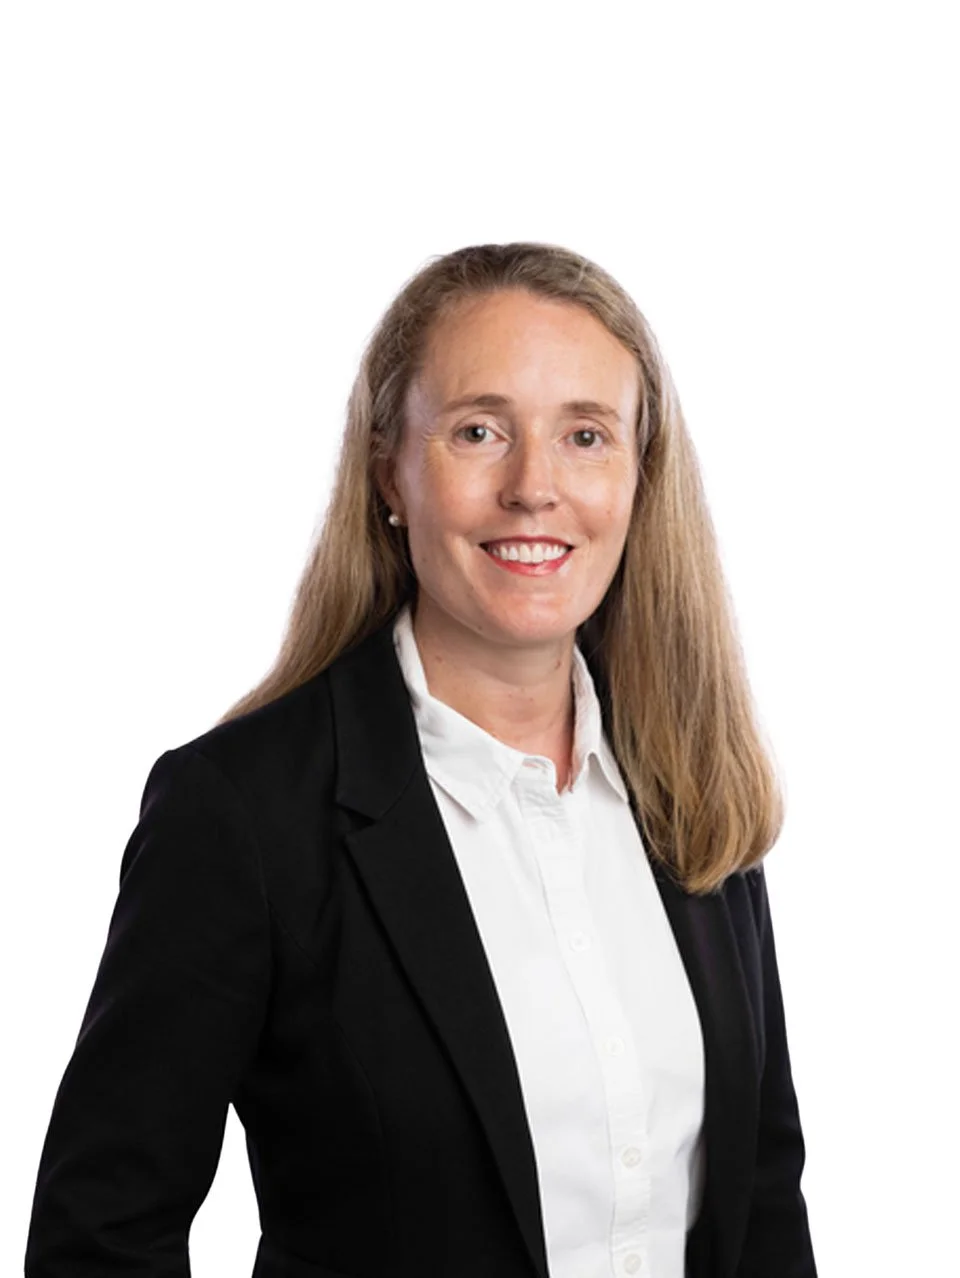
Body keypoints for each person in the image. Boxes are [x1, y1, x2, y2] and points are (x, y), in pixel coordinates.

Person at [24, 241, 817, 1278]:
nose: (535, 487)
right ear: (389, 472)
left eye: (585, 435)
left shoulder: (690, 782)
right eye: (479, 431)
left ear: (637, 479)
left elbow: (760, 1205)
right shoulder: (246, 814)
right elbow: (101, 1236)